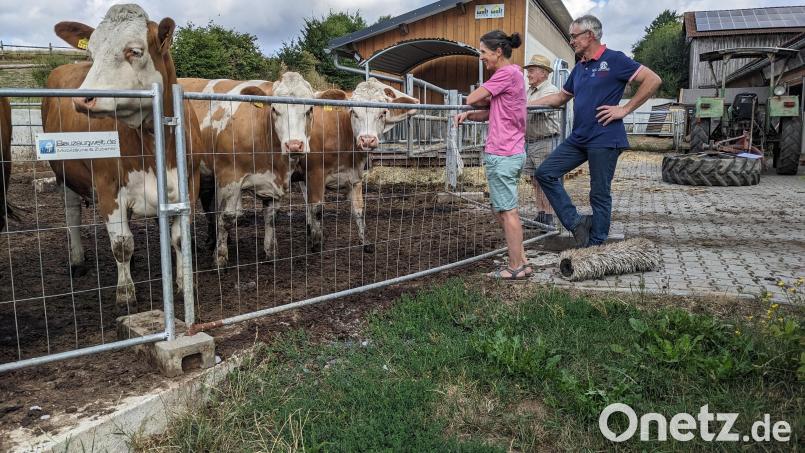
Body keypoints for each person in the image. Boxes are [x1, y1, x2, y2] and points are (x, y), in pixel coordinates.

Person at [533, 15, 661, 247]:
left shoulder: (614, 59)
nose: (571, 41)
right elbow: (560, 97)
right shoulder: (580, 67)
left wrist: (625, 109)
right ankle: (576, 222)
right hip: (579, 138)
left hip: (605, 138)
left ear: (589, 35)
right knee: (545, 173)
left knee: (599, 193)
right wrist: (522, 104)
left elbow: (653, 79)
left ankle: (596, 244)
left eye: (574, 36)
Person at [455, 30, 530, 280]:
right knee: (502, 209)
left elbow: (471, 97)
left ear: (498, 52)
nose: (481, 57)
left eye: (483, 53)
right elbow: (493, 111)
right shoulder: (516, 74)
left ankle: (515, 267)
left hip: (503, 151)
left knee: (507, 212)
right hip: (511, 150)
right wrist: (470, 115)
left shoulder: (505, 73)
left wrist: (473, 105)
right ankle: (523, 260)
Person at [523, 54, 561, 228]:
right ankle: (541, 214)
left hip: (545, 141)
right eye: (528, 71)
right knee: (535, 179)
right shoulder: (530, 91)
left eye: (531, 71)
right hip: (531, 141)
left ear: (544, 73)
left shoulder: (550, 91)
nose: (528, 74)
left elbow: (536, 109)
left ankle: (549, 216)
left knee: (545, 178)